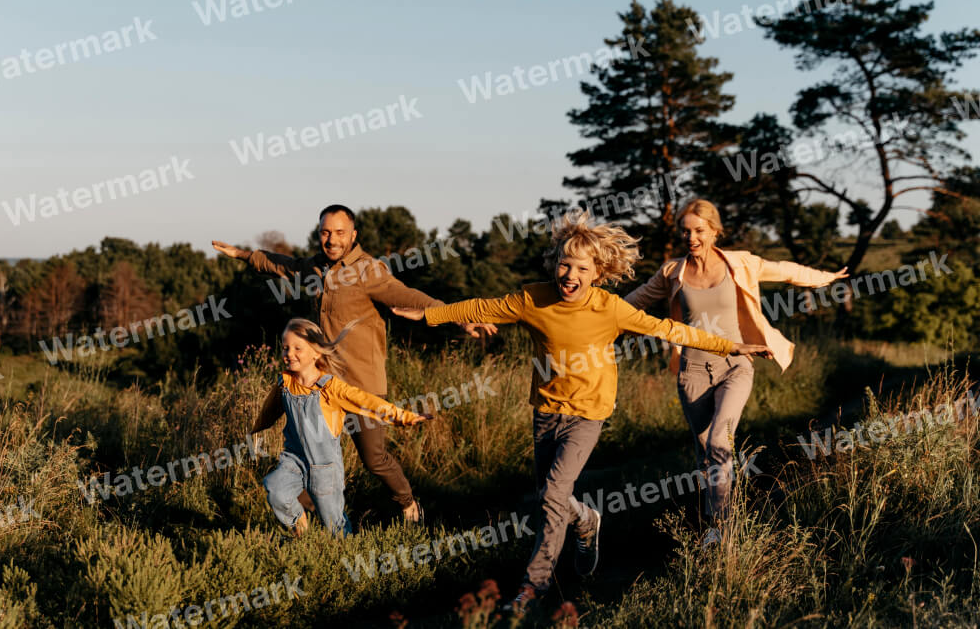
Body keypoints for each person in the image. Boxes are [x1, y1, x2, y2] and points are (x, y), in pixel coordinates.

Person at [391, 211, 771, 610]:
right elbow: (481, 307)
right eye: (564, 264)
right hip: (546, 410)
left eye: (581, 268)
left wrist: (731, 346)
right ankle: (587, 521)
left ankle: (532, 587)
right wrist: (429, 315)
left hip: (590, 413)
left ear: (597, 273)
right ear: (555, 263)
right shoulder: (532, 299)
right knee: (548, 496)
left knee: (554, 493)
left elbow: (669, 330)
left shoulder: (610, 308)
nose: (570, 274)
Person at [212, 204, 495, 523]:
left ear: (354, 235)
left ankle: (407, 503)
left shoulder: (368, 271)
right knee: (313, 455)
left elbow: (410, 296)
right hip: (323, 385)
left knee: (374, 458)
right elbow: (284, 266)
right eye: (325, 232)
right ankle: (308, 515)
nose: (331, 239)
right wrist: (243, 255)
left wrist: (458, 317)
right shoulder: (314, 267)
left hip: (362, 382)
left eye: (339, 233)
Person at [624, 199, 847, 548]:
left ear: (715, 231)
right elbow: (631, 302)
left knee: (718, 441)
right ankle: (721, 498)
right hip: (692, 371)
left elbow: (783, 270)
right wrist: (592, 319)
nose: (692, 237)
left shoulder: (739, 262)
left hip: (736, 365)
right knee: (705, 455)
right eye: (686, 231)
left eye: (699, 230)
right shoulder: (672, 273)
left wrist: (825, 278)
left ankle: (720, 528)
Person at [251, 318, 430, 536]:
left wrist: (403, 416)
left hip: (324, 468)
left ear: (316, 353)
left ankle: (344, 552)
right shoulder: (285, 383)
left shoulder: (331, 388)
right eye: (286, 347)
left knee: (333, 523)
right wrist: (256, 428)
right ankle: (300, 527)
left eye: (298, 348)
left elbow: (367, 402)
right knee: (275, 487)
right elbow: (270, 408)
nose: (289, 353)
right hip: (294, 460)